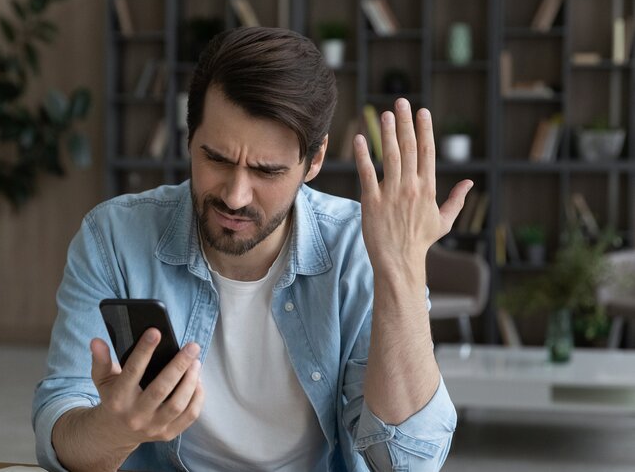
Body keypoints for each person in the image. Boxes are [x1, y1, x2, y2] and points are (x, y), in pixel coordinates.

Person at [33, 26, 470, 472]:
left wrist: (402, 270)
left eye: (267, 171)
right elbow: (60, 435)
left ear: (314, 161)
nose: (236, 195)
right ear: (189, 138)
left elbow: (405, 464)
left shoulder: (358, 248)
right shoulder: (113, 237)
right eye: (217, 159)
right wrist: (116, 428)